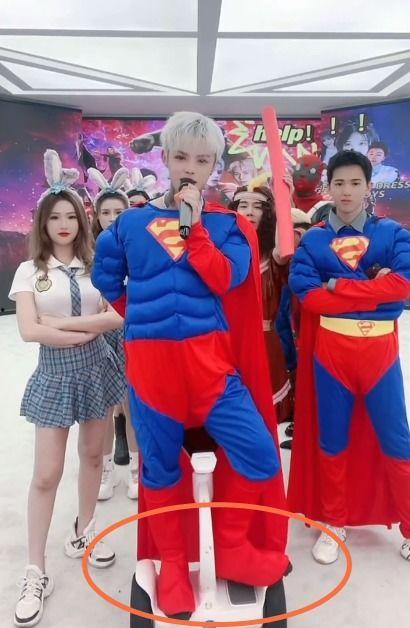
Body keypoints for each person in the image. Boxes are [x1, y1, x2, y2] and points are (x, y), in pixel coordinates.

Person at [91, 112, 289, 618]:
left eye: (202, 160)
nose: (189, 168)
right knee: (159, 468)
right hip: (152, 372)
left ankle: (233, 546)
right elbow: (106, 279)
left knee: (260, 453)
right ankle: (174, 566)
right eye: (181, 157)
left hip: (212, 369)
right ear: (164, 158)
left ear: (214, 166)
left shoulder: (228, 226)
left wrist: (196, 226)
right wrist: (143, 322)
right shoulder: (129, 224)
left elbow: (226, 279)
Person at [9, 150, 126, 627]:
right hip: (55, 376)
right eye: (54, 217)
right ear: (43, 223)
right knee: (46, 474)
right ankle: (35, 570)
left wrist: (65, 324)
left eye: (70, 216)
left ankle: (85, 530)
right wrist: (84, 329)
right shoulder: (29, 271)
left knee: (94, 457)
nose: (63, 224)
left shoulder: (98, 265)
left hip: (98, 370)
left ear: (82, 220)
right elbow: (29, 331)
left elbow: (117, 317)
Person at [288, 150, 410, 565]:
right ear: (328, 186)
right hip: (332, 355)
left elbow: (402, 288)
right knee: (332, 439)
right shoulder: (314, 239)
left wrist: (339, 286)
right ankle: (333, 521)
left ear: (368, 186)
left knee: (396, 439)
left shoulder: (392, 233)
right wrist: (375, 290)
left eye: (355, 183)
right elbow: (309, 296)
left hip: (380, 354)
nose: (346, 191)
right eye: (339, 183)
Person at [230, 184, 309, 425]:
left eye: (258, 206)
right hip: (227, 345)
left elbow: (282, 248)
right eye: (243, 205)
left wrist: (283, 197)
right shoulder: (221, 253)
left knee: (264, 420)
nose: (249, 212)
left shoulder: (272, 257)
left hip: (263, 344)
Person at [88, 166, 139, 500]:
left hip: (132, 333)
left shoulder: (139, 247)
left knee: (133, 406)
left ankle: (135, 470)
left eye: (118, 211)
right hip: (98, 338)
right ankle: (105, 471)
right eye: (105, 212)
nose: (111, 218)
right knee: (103, 409)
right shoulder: (87, 253)